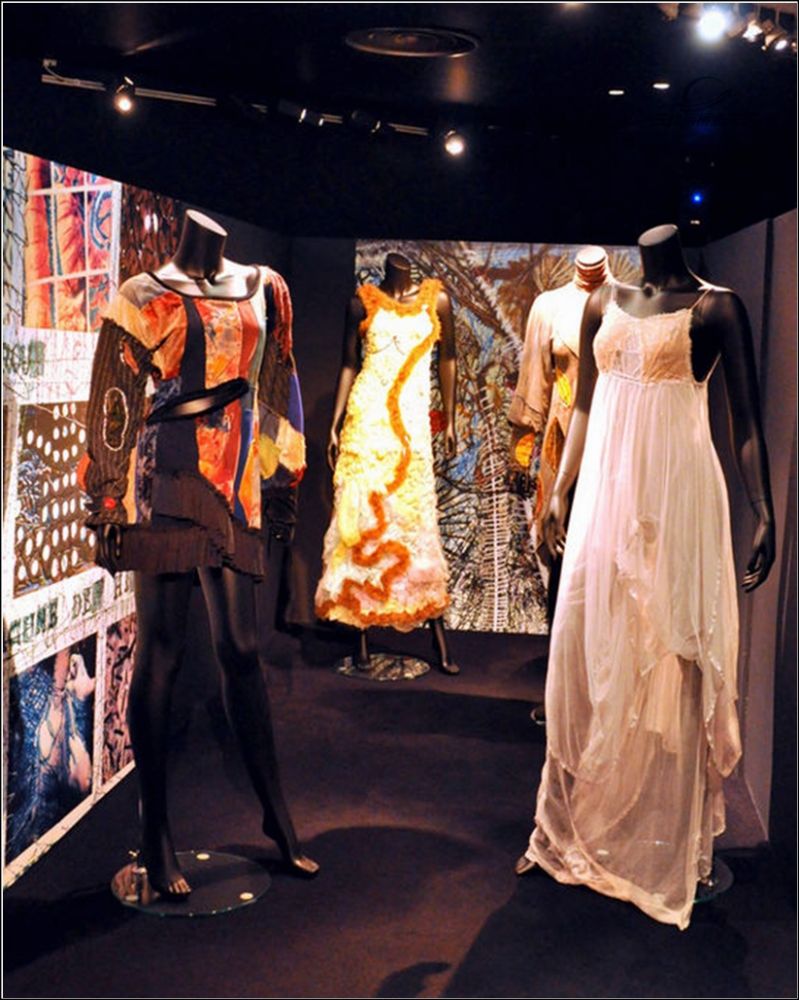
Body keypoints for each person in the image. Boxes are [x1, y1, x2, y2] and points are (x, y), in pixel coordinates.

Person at [516, 223, 775, 929]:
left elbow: (746, 424)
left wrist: (762, 511)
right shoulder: (605, 302)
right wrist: (560, 491)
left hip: (677, 492)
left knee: (672, 652)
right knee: (594, 643)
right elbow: (583, 403)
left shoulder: (717, 308)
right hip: (608, 490)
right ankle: (583, 821)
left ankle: (670, 840)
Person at [82, 209, 317, 897]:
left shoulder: (265, 288)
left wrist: (282, 478)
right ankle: (155, 833)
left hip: (236, 479)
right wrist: (107, 497)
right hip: (168, 476)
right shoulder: (142, 294)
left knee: (241, 647)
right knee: (163, 651)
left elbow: (276, 380)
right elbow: (113, 397)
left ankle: (276, 817)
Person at [315, 252, 459, 674]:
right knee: (362, 523)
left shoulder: (437, 301)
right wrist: (335, 422)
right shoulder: (361, 303)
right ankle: (361, 630)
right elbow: (349, 364)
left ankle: (435, 629)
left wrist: (450, 419)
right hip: (367, 425)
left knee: (415, 521)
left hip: (412, 427)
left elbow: (448, 358)